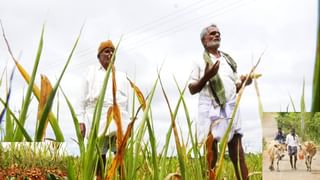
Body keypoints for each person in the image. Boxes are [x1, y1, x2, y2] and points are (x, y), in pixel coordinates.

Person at [188, 24, 252, 180]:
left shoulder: (228, 60)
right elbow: (192, 88)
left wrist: (245, 82)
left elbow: (234, 87)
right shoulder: (198, 61)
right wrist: (206, 77)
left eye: (218, 33)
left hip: (230, 107)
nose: (217, 35)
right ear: (204, 40)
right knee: (211, 154)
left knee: (238, 152)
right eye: (212, 34)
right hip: (209, 107)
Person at [78, 40, 130, 179]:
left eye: (113, 51)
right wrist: (80, 121)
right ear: (99, 55)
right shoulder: (90, 72)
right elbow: (81, 99)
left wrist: (128, 124)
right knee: (99, 155)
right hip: (97, 118)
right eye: (107, 51)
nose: (110, 54)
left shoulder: (122, 76)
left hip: (119, 119)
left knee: (120, 154)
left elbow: (126, 103)